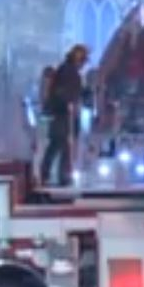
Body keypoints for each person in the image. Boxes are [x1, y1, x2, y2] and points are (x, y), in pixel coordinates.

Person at [39, 45, 89, 187]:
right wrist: (70, 102)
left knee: (57, 144)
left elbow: (73, 91)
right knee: (63, 145)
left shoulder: (67, 70)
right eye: (83, 60)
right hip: (64, 114)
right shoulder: (69, 71)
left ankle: (48, 174)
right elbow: (65, 93)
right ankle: (62, 176)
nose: (84, 64)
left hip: (62, 113)